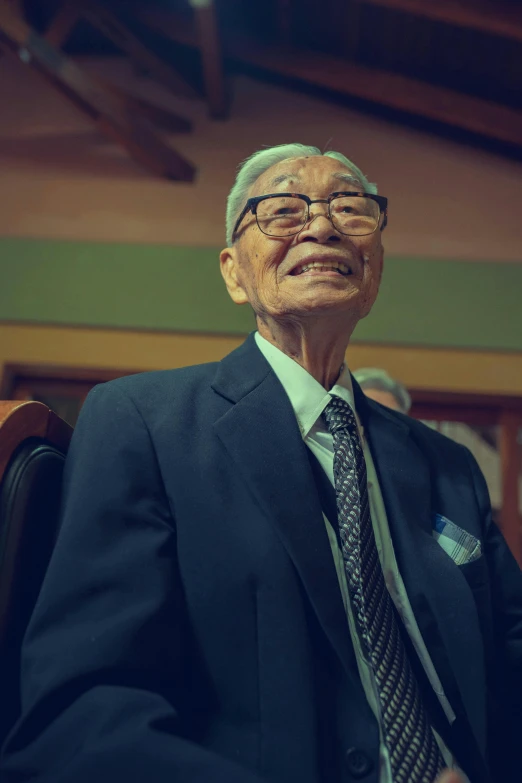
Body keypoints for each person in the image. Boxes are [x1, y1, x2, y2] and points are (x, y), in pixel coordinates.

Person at [1, 143, 521, 783]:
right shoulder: (140, 422)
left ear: (375, 263)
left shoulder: (447, 466)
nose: (324, 224)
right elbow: (80, 715)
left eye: (350, 207)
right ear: (233, 272)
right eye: (282, 208)